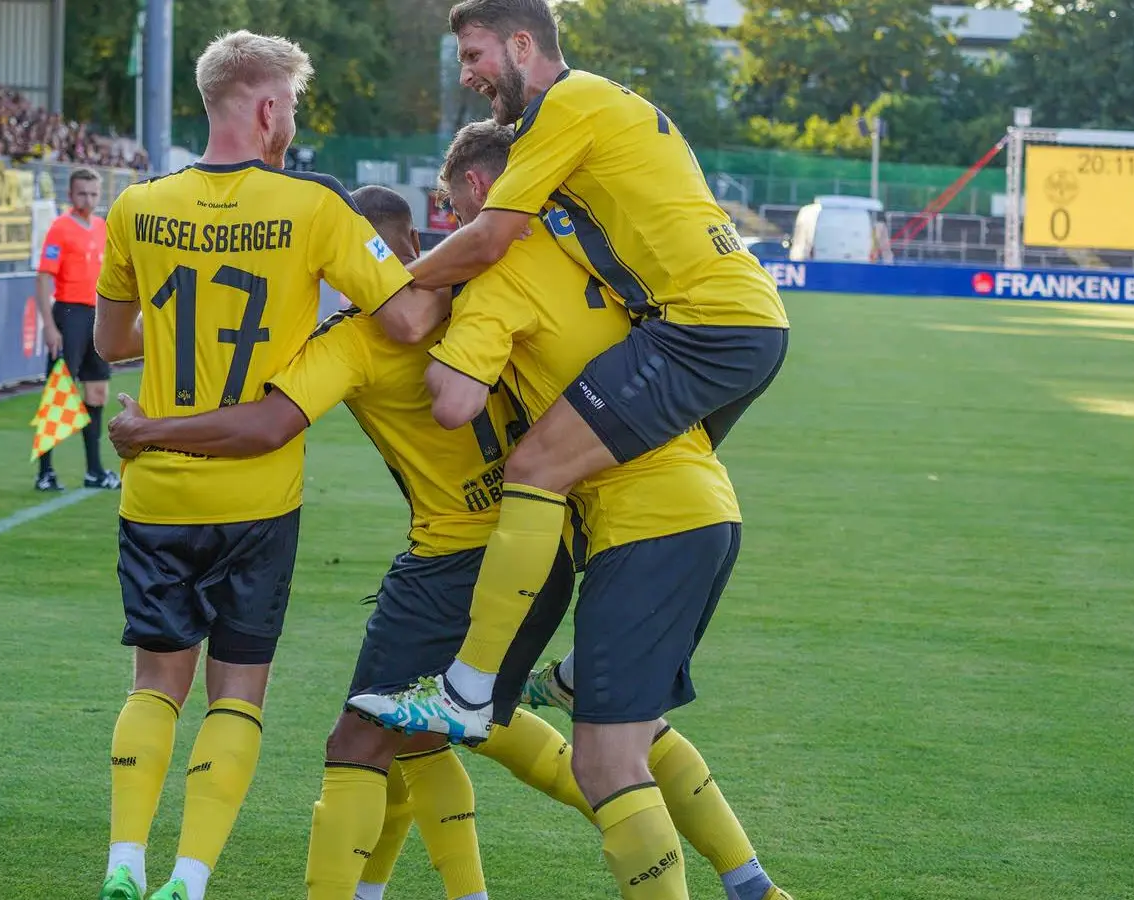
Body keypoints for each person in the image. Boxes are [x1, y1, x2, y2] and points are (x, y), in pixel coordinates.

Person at [106, 183, 788, 900]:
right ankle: (745, 878)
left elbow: (267, 424)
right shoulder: (485, 285)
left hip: (455, 558)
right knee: (544, 731)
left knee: (363, 740)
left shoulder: (355, 338)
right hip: (547, 543)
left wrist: (150, 430)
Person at [350, 0, 790, 746]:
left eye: (474, 55)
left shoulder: (564, 104)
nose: (467, 75)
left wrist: (387, 289)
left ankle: (466, 691)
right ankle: (594, 667)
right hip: (737, 320)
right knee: (643, 476)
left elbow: (490, 237)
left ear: (522, 44)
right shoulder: (593, 104)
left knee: (536, 466)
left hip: (702, 324)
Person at [366, 119, 783, 900]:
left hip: (644, 527)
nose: (457, 226)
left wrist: (439, 329)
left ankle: (468, 686)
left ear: (480, 189)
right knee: (630, 725)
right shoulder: (584, 246)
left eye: (456, 209)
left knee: (605, 762)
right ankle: (755, 887)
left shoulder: (499, 273)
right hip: (703, 508)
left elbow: (453, 402)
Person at [88, 31, 438, 900]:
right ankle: (190, 876)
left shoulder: (137, 205)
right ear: (271, 107)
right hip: (258, 494)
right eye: (294, 107)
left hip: (157, 489)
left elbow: (112, 342)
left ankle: (124, 860)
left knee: (154, 683)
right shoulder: (314, 208)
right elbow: (405, 321)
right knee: (236, 695)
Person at [33, 168, 118, 491]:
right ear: (70, 195)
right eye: (82, 193)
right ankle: (45, 473)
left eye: (94, 194)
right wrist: (49, 325)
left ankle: (94, 471)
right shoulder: (60, 228)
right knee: (59, 393)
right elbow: (44, 277)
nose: (89, 200)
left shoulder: (102, 227)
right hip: (69, 315)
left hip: (97, 316)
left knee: (97, 392)